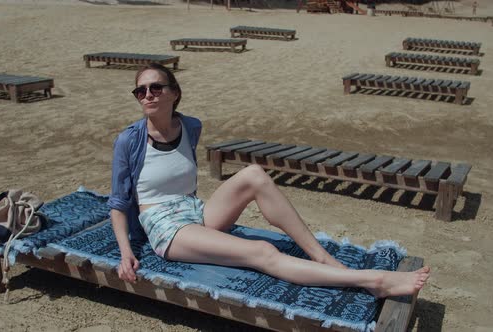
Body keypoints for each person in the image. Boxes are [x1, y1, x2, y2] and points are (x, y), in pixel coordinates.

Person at [108, 63, 430, 298]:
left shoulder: (190, 126)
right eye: (141, 91)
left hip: (195, 211)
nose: (147, 94)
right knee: (260, 251)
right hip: (167, 228)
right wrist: (126, 253)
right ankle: (372, 282)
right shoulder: (130, 141)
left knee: (254, 175)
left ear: (174, 93)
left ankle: (322, 257)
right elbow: (119, 204)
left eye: (155, 87)